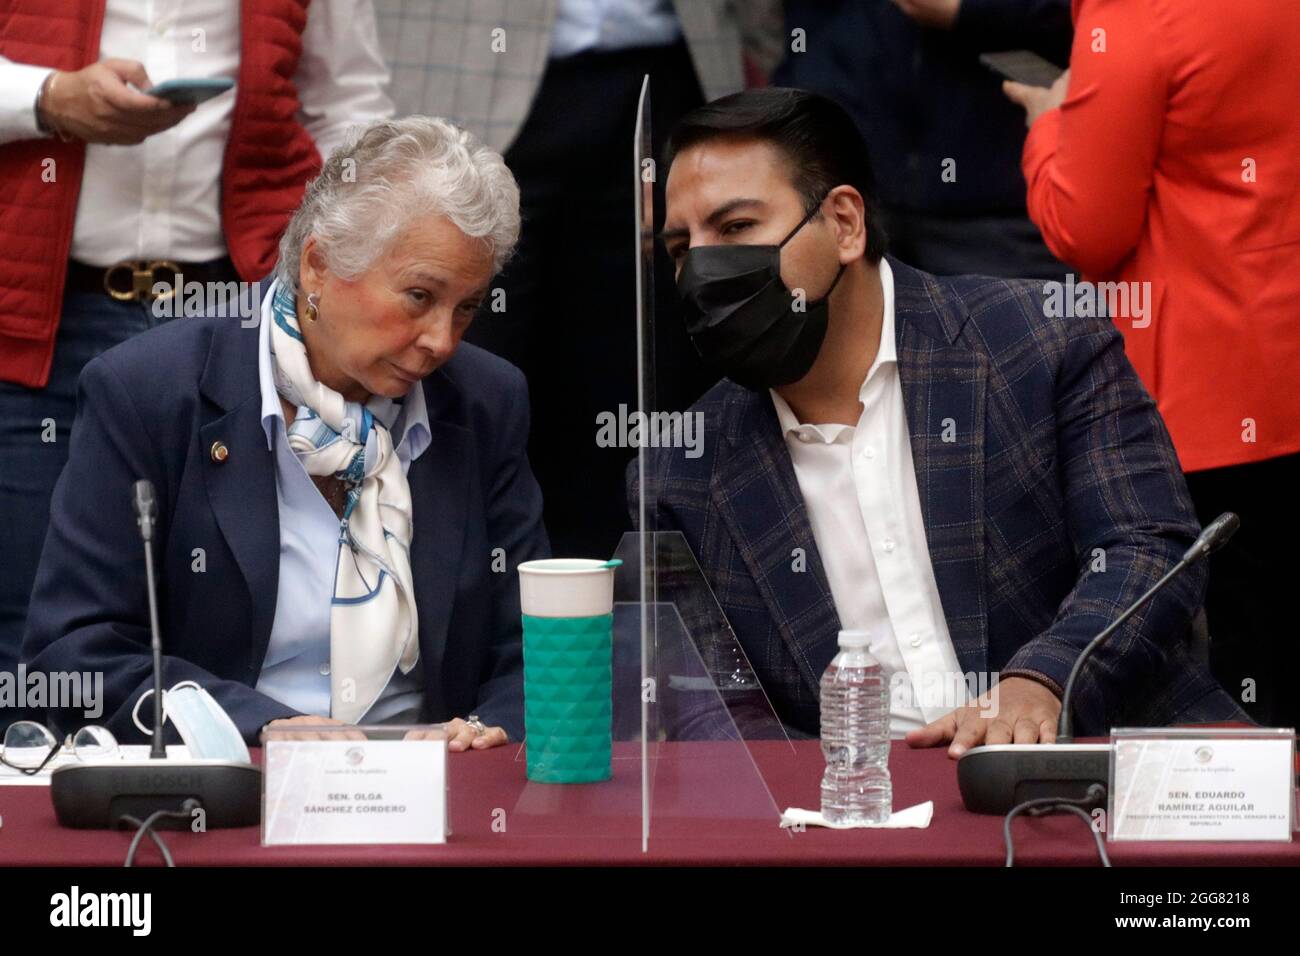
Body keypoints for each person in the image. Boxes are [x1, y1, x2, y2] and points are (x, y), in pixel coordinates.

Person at [635, 88, 1244, 753]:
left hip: (1102, 776)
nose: (701, 271)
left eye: (735, 228)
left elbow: (1150, 548)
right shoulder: (678, 473)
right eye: (678, 250)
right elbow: (713, 713)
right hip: (859, 826)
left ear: (843, 223)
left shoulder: (1040, 342)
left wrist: (1045, 679)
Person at [22, 117, 548, 750]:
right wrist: (258, 725)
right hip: (229, 794)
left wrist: (487, 730)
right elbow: (74, 656)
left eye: (465, 307)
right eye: (419, 296)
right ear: (319, 266)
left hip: (432, 799)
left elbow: (536, 640)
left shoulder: (485, 401)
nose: (442, 339)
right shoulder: (148, 392)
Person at [0, 0, 393, 713]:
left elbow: (350, 108)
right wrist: (47, 99)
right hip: (37, 319)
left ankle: (215, 810)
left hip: (238, 311)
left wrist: (345, 270)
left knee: (226, 616)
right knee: (27, 626)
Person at [371, 0, 783, 558]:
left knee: (638, 383)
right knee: (464, 376)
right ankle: (457, 600)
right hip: (460, 80)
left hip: (667, 79)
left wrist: (761, 56)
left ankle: (604, 611)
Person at [1004, 0, 1300, 729]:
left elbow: (1085, 226)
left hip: (1204, 385)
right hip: (1277, 358)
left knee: (1225, 675)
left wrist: (1049, 122)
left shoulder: (1138, 15)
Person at [773, 0, 1072, 279]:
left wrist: (973, 7)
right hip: (838, 174)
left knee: (1016, 328)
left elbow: (1105, 16)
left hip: (995, 196)